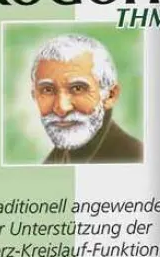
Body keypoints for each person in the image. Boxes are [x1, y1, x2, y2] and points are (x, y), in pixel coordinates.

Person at [31, 34, 143, 164]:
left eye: (77, 88)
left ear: (110, 95)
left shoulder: (135, 157)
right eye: (47, 90)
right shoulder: (58, 159)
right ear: (34, 96)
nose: (62, 108)